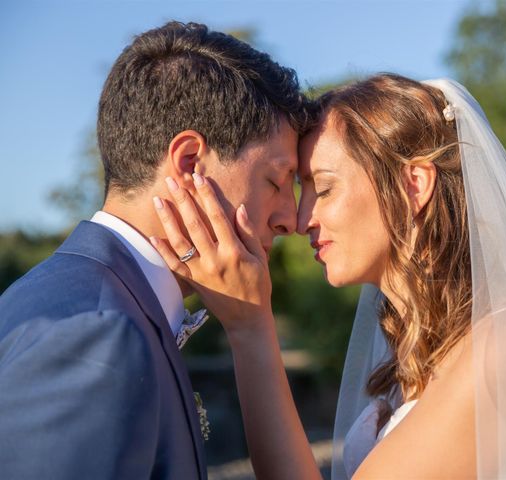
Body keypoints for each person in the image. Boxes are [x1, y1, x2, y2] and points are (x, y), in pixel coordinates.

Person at [153, 73, 506, 478]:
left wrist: (251, 328)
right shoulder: (414, 355)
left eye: (322, 188)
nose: (302, 221)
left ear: (415, 184)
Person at [0, 21, 312, 479]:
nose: (290, 218)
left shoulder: (82, 298)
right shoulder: (98, 335)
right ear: (189, 164)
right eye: (275, 181)